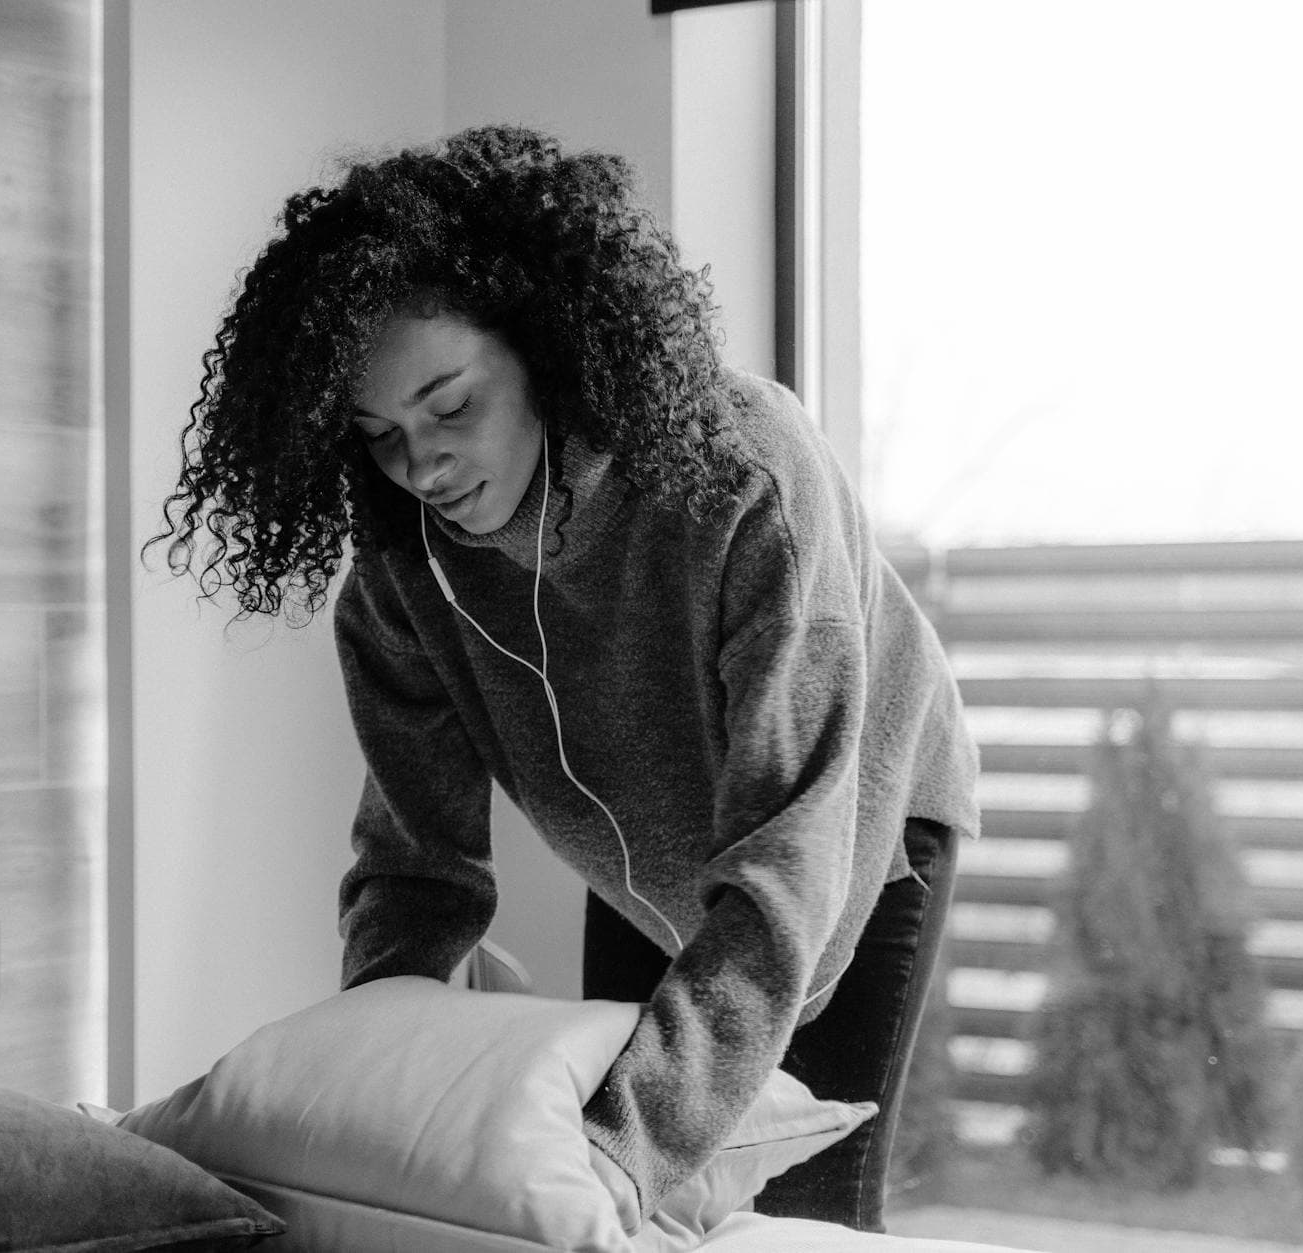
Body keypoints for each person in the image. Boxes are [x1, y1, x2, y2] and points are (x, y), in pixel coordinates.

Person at [152, 123, 980, 1234]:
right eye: (380, 433)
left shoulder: (744, 477)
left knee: (773, 1191)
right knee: (612, 1181)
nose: (423, 462)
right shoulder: (404, 574)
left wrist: (624, 1150)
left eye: (449, 405)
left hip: (847, 831)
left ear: (543, 348)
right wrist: (370, 1096)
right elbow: (415, 872)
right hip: (631, 854)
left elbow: (788, 863)